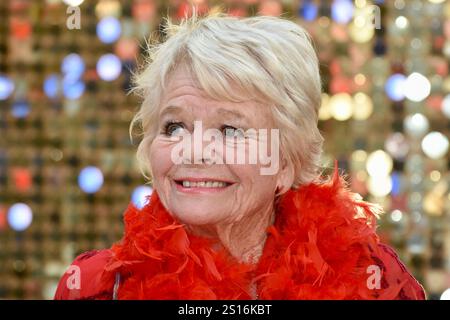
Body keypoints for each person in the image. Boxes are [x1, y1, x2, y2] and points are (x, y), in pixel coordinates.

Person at [55, 12, 426, 300]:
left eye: (230, 130)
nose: (195, 150)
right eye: (174, 127)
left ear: (285, 160)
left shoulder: (373, 280)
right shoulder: (98, 286)